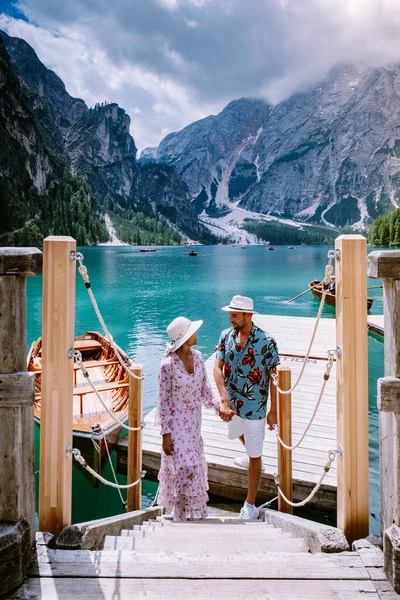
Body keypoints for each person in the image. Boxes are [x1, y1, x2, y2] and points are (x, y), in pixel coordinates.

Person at [214, 295, 280, 520]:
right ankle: (253, 457)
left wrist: (274, 410)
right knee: (236, 433)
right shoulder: (226, 336)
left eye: (234, 314)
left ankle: (250, 505)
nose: (230, 318)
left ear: (248, 315)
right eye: (230, 314)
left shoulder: (266, 341)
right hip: (231, 405)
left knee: (255, 453)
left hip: (255, 408)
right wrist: (223, 399)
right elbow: (217, 366)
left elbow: (274, 377)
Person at [156, 316, 220, 521]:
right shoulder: (167, 365)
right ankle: (179, 515)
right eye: (193, 331)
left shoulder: (199, 357)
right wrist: (165, 434)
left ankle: (191, 516)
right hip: (175, 425)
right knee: (184, 467)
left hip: (194, 425)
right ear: (183, 338)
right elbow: (163, 401)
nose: (196, 334)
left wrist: (221, 408)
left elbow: (206, 391)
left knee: (193, 468)